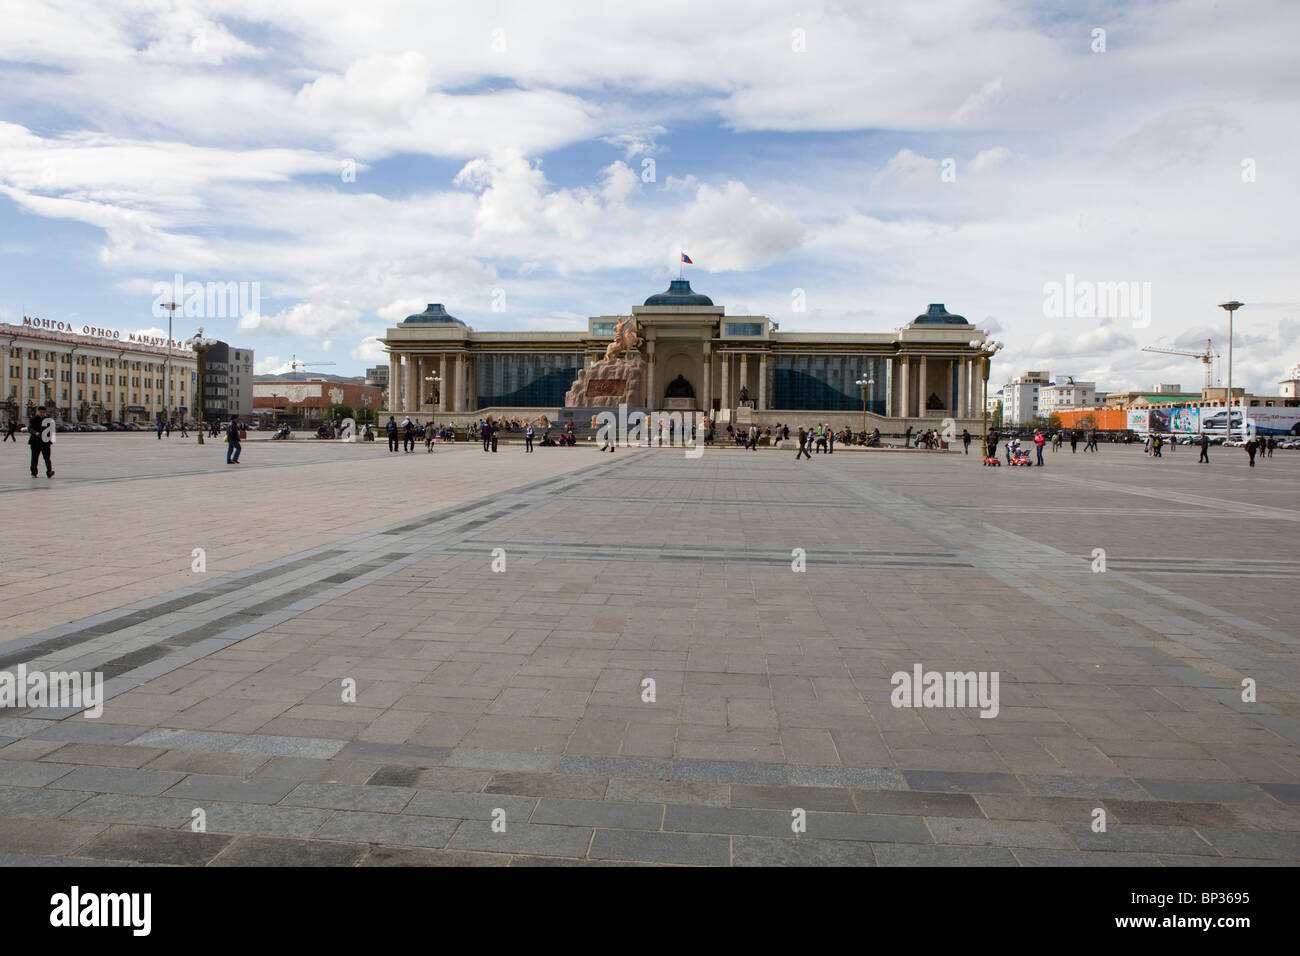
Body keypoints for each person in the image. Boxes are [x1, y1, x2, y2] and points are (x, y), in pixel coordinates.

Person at [28, 405, 54, 478]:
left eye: (43, 412)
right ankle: (34, 473)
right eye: (40, 412)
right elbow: (29, 428)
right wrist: (35, 432)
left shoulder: (48, 420)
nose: (42, 414)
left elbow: (50, 430)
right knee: (34, 458)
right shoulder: (33, 419)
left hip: (45, 442)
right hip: (35, 442)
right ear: (37, 412)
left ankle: (49, 472)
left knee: (47, 458)